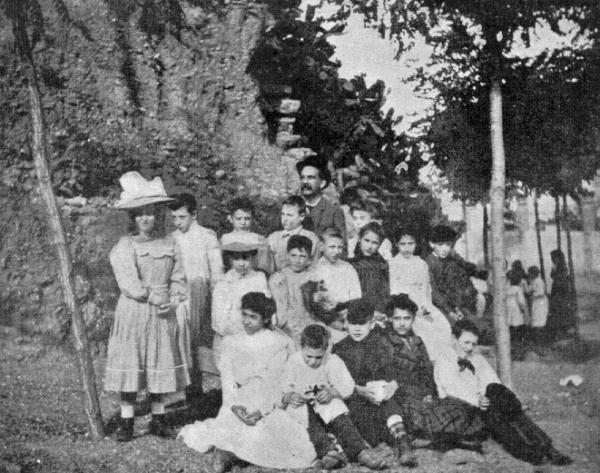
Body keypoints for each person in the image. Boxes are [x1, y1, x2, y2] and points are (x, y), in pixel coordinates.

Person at [178, 293, 316, 472]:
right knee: (232, 423)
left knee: (277, 433)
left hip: (269, 398)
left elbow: (276, 382)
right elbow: (228, 382)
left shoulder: (278, 343)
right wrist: (233, 405)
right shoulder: (232, 341)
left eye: (253, 317)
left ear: (265, 318)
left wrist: (262, 409)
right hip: (240, 397)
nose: (247, 321)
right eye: (244, 315)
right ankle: (226, 450)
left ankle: (235, 453)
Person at [105, 172, 190, 441]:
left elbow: (179, 278)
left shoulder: (170, 243)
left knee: (159, 362)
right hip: (134, 310)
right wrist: (154, 297)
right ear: (132, 217)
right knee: (132, 363)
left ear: (158, 214)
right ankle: (127, 423)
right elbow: (129, 282)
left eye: (150, 213)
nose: (146, 218)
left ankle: (159, 420)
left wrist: (174, 302)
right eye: (140, 213)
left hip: (162, 312)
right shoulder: (125, 245)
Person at [434, 320, 572, 466]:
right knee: (495, 412)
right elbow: (451, 389)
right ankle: (530, 451)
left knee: (497, 391)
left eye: (473, 344)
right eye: (466, 342)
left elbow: (491, 380)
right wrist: (477, 400)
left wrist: (489, 396)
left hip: (482, 403)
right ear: (454, 339)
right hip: (460, 407)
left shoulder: (477, 359)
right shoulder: (444, 360)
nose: (469, 348)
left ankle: (546, 448)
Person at [382, 295, 485, 451]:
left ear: (413, 319)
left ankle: (447, 436)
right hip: (402, 393)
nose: (402, 323)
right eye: (397, 318)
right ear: (390, 319)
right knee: (419, 414)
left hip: (423, 391)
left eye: (407, 318)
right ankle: (443, 437)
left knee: (458, 406)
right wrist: (416, 392)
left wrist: (429, 392)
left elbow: (427, 371)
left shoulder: (417, 341)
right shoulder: (385, 343)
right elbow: (390, 375)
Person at [282, 325, 389, 470]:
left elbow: (347, 386)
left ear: (326, 350)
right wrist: (289, 396)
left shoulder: (332, 361)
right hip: (303, 405)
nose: (313, 362)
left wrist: (332, 392)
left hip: (324, 403)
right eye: (308, 356)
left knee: (339, 415)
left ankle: (360, 451)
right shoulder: (293, 361)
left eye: (318, 357)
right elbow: (283, 386)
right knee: (308, 422)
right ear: (301, 348)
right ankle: (329, 453)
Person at [332, 299, 417, 466]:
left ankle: (403, 442)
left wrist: (392, 384)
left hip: (379, 398)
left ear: (371, 324)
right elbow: (337, 382)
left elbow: (394, 371)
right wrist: (359, 390)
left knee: (391, 403)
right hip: (355, 398)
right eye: (353, 323)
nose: (357, 328)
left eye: (362, 324)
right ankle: (373, 445)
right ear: (346, 324)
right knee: (356, 414)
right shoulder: (340, 348)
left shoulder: (380, 343)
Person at [169, 193, 224, 405]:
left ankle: (200, 391)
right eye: (174, 217)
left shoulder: (206, 236)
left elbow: (216, 270)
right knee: (182, 343)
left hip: (202, 295)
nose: (177, 222)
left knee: (198, 343)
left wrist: (216, 296)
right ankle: (189, 389)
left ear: (194, 215)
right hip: (181, 295)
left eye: (182, 217)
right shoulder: (173, 238)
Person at [389, 226, 452, 361]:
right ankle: (432, 361)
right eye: (403, 244)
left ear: (416, 244)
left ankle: (444, 362)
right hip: (405, 307)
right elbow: (394, 290)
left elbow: (425, 290)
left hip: (422, 307)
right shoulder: (393, 264)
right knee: (426, 329)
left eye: (410, 244)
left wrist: (426, 308)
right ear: (397, 245)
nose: (407, 248)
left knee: (441, 324)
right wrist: (412, 309)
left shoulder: (421, 263)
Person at [212, 232, 270, 364]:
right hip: (230, 334)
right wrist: (234, 330)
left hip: (254, 332)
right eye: (237, 259)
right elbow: (218, 317)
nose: (241, 263)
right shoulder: (224, 281)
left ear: (253, 258)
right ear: (231, 259)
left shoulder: (259, 278)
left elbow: (265, 308)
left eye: (246, 258)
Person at [425, 225, 483, 324]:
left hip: (451, 305)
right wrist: (449, 311)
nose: (445, 249)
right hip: (435, 305)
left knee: (474, 323)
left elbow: (453, 288)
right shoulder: (428, 263)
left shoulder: (450, 262)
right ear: (431, 244)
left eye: (448, 245)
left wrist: (456, 308)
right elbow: (434, 292)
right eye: (440, 244)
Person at [269, 235, 317, 347]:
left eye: (302, 256)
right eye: (293, 255)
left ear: (309, 259)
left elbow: (315, 307)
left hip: (307, 325)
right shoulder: (278, 277)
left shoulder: (312, 277)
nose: (297, 260)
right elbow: (278, 307)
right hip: (285, 327)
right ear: (287, 255)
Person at [297, 155, 346, 240]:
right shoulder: (290, 206)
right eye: (302, 177)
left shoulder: (334, 212)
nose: (305, 182)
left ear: (322, 183)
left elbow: (341, 247)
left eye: (310, 178)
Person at [220, 197, 274, 274]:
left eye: (247, 218)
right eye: (239, 219)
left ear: (252, 218)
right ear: (231, 219)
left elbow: (265, 266)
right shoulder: (225, 238)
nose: (243, 222)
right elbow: (220, 264)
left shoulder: (258, 238)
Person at [267, 195, 319, 271]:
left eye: (289, 215)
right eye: (283, 214)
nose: (284, 219)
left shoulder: (311, 237)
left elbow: (314, 266)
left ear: (302, 216)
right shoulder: (273, 237)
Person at [349, 222, 390, 315]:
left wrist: (379, 311)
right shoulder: (351, 264)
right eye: (366, 240)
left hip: (377, 310)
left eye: (375, 243)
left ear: (379, 245)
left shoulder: (382, 265)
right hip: (356, 309)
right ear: (360, 239)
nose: (369, 246)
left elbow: (385, 293)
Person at [313, 227, 361, 305]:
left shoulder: (347, 268)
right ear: (321, 246)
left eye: (340, 247)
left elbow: (356, 296)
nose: (336, 251)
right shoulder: (314, 269)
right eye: (332, 247)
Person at [546, 249, 576, 342]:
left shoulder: (563, 267)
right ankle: (559, 332)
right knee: (557, 311)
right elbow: (552, 275)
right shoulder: (556, 266)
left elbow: (562, 279)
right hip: (556, 289)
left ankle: (562, 331)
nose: (552, 259)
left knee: (561, 311)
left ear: (558, 257)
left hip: (561, 291)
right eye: (552, 258)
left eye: (554, 258)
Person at [506, 270, 529, 342]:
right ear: (519, 281)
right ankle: (519, 338)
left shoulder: (508, 289)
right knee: (518, 321)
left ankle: (511, 337)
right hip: (516, 306)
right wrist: (522, 307)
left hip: (508, 305)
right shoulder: (518, 289)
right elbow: (521, 300)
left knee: (510, 320)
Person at [527, 266, 548, 345]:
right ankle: (538, 340)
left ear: (533, 273)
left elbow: (541, 293)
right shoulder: (534, 281)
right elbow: (530, 289)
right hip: (536, 302)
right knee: (536, 319)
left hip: (540, 302)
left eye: (530, 273)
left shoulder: (539, 281)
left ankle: (541, 341)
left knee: (539, 320)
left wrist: (533, 296)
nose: (529, 275)